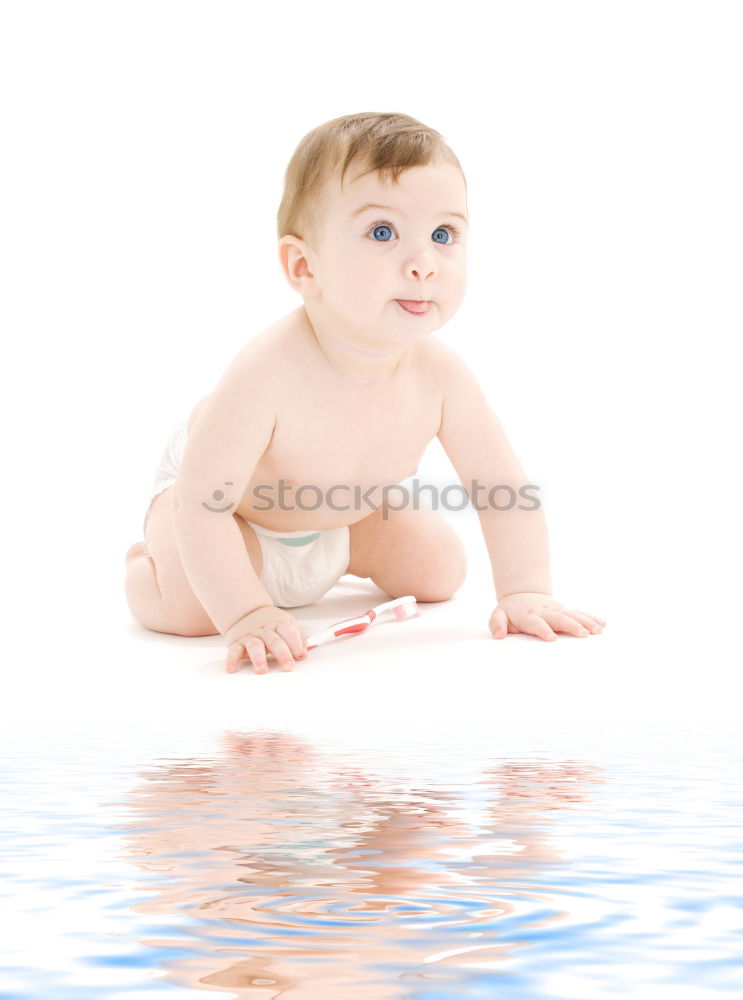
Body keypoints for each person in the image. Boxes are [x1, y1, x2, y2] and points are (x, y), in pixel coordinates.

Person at [124, 111, 606, 674]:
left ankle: (350, 545)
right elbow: (201, 503)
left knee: (440, 569)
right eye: (383, 233)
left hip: (340, 520)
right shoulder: (266, 372)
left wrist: (525, 590)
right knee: (191, 608)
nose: (423, 264)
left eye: (443, 234)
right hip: (226, 518)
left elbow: (502, 485)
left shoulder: (441, 377)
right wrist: (246, 614)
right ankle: (146, 566)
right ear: (304, 265)